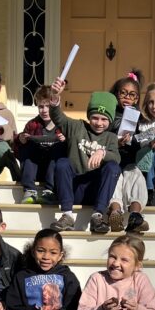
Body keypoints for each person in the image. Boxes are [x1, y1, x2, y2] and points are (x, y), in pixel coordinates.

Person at [47, 80, 121, 235]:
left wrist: (102, 153)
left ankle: (97, 216)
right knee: (62, 163)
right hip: (74, 189)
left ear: (110, 120)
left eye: (104, 119)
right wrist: (54, 96)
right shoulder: (77, 127)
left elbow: (116, 157)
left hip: (96, 191)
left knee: (113, 166)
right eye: (95, 117)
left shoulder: (111, 137)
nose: (99, 123)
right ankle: (67, 215)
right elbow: (58, 117)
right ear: (89, 116)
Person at [106, 69, 149, 234]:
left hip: (129, 162)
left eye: (132, 95)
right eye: (123, 93)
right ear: (116, 94)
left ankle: (135, 215)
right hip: (112, 161)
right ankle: (115, 211)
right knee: (115, 179)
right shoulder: (109, 115)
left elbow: (138, 142)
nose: (127, 98)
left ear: (137, 98)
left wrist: (147, 139)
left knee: (136, 177)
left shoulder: (139, 117)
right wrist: (115, 141)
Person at [15, 85, 64, 205]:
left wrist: (65, 140)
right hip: (35, 168)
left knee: (58, 149)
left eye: (48, 106)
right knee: (31, 147)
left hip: (53, 170)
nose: (44, 110)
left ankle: (49, 191)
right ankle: (29, 190)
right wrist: (21, 141)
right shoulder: (32, 124)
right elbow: (19, 152)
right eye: (41, 106)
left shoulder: (63, 124)